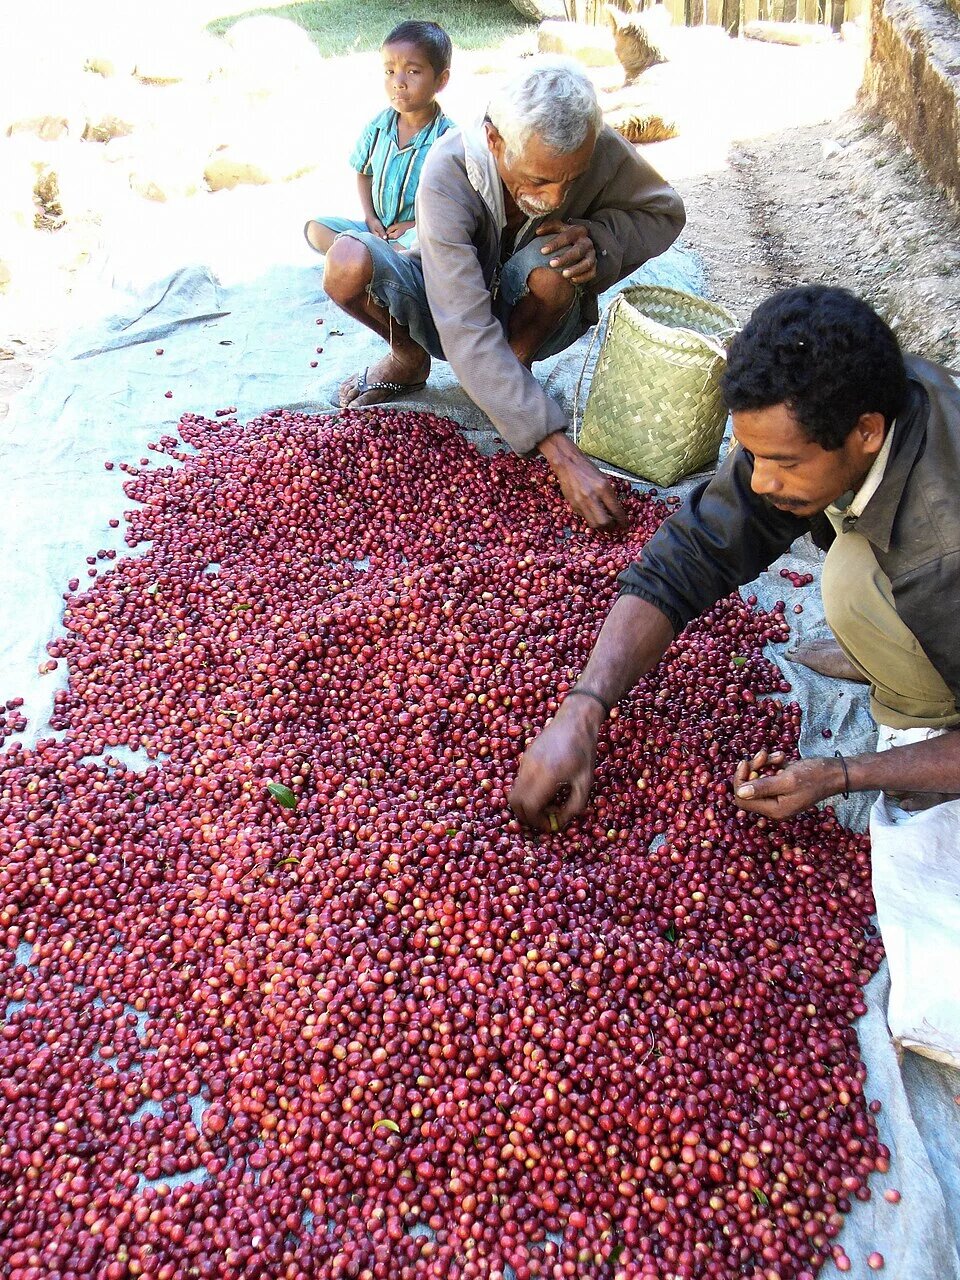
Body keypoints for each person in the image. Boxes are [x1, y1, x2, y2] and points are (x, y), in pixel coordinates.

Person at [509, 285, 960, 829]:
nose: (762, 480)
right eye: (752, 453)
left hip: (939, 579)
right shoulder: (850, 405)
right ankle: (887, 648)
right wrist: (583, 707)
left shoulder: (941, 555)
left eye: (785, 462)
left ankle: (926, 700)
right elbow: (689, 557)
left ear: (867, 432)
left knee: (852, 582)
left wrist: (843, 773)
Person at [321, 58, 686, 532]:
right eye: (537, 180)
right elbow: (464, 326)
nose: (554, 198)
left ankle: (517, 366)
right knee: (347, 262)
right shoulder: (449, 169)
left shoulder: (593, 144)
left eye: (569, 181)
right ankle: (409, 359)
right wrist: (560, 451)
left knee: (556, 263)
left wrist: (600, 238)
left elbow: (663, 211)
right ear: (495, 141)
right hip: (449, 304)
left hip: (537, 310)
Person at [304, 22, 454, 256]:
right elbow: (364, 172)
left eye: (413, 71)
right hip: (377, 230)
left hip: (417, 232)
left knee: (418, 245)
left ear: (441, 80)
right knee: (316, 228)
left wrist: (415, 225)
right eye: (389, 71)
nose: (398, 82)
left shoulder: (448, 139)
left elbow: (452, 204)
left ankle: (368, 258)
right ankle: (374, 256)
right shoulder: (377, 128)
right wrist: (370, 217)